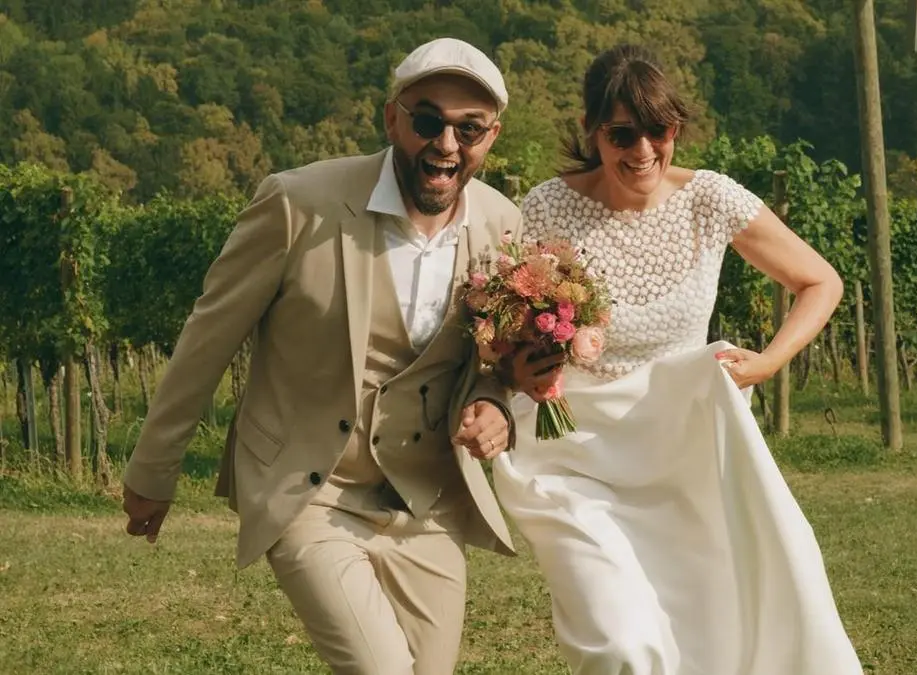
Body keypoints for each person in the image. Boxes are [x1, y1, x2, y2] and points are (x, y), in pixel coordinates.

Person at [121, 37, 522, 675]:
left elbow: (493, 363)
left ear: (490, 136)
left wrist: (493, 402)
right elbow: (208, 339)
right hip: (312, 488)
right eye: (427, 121)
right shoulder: (296, 203)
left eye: (468, 129)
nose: (446, 144)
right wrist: (153, 471)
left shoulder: (502, 225)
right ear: (392, 119)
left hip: (428, 504)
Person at [494, 44, 864, 674]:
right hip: (577, 460)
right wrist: (513, 372)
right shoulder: (546, 208)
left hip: (690, 457)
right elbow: (501, 328)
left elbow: (820, 281)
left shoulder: (709, 199)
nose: (642, 149)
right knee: (619, 644)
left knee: (728, 624)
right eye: (622, 134)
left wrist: (768, 362)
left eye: (658, 130)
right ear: (592, 130)